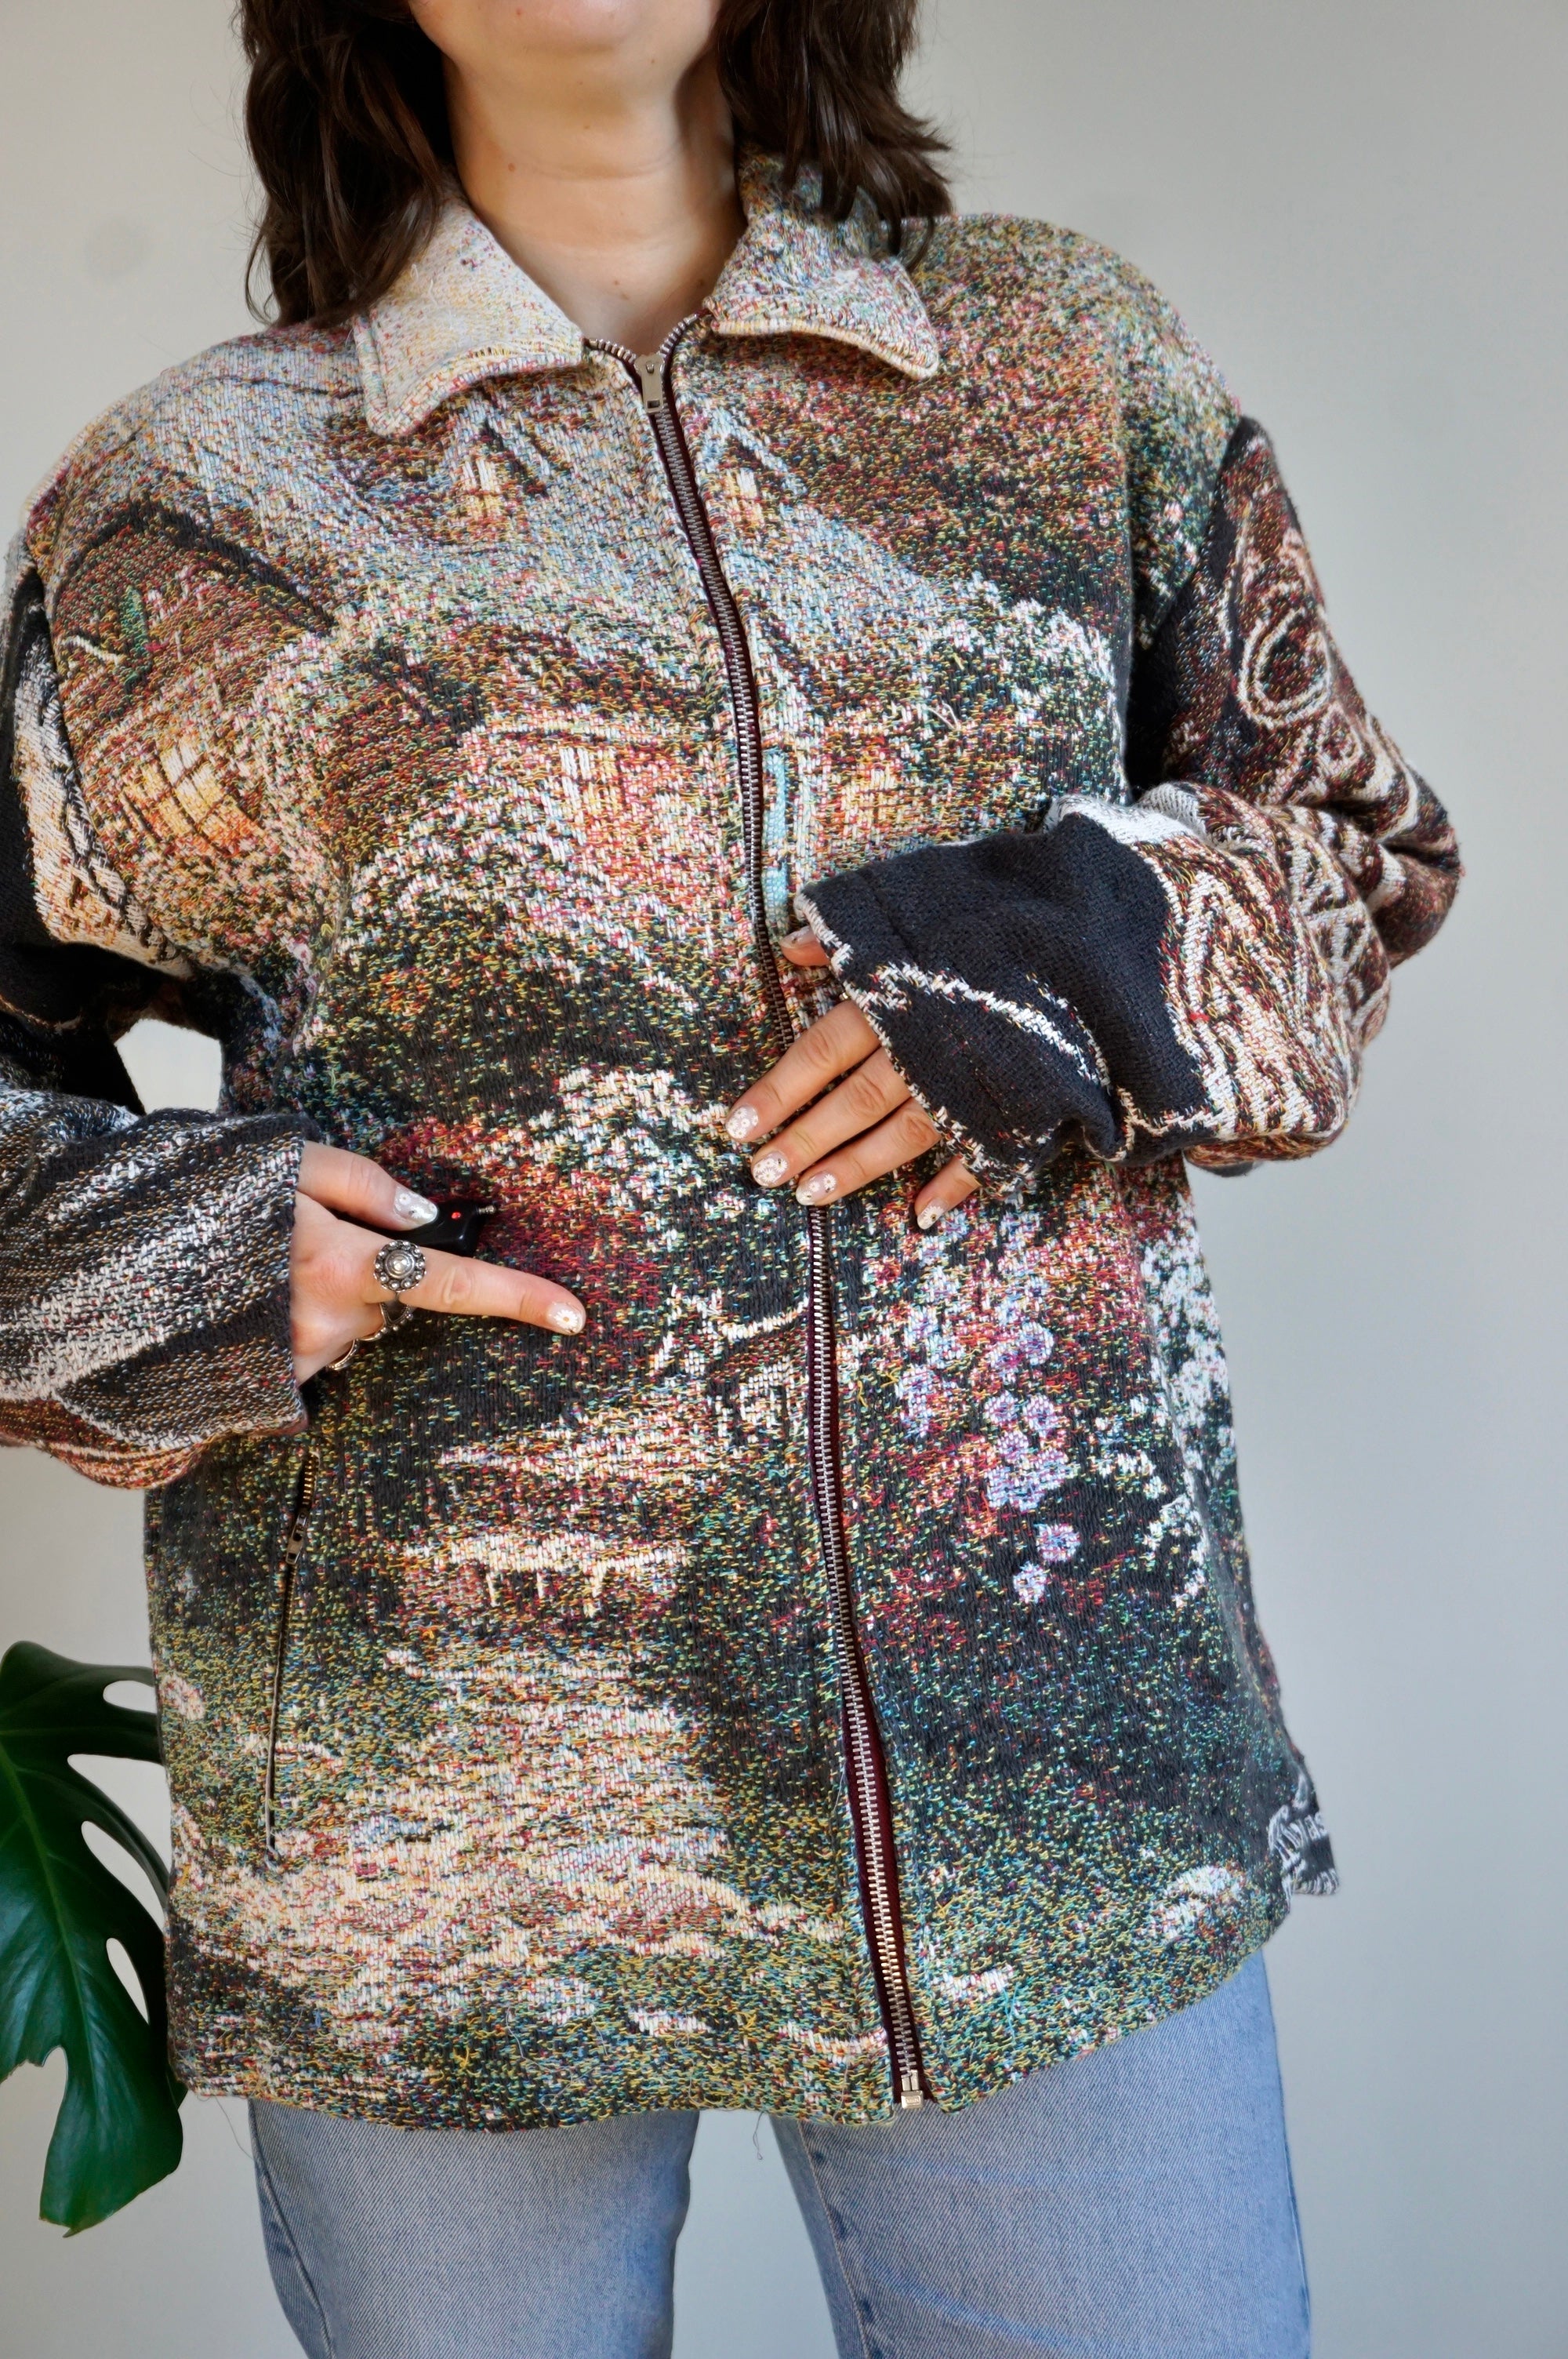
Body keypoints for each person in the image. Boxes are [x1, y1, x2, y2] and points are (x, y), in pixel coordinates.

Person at [0, 0, 1460, 2350]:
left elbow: (1352, 850)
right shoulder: (192, 505)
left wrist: (1053, 967)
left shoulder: (1059, 369)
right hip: (436, 1846)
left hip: (1043, 1792)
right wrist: (188, 1253)